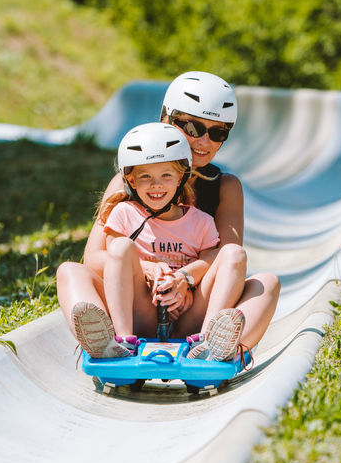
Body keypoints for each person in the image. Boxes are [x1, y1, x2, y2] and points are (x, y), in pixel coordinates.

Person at [57, 71, 280, 360]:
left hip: (193, 311)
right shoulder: (127, 183)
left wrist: (184, 279)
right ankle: (105, 344)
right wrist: (149, 269)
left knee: (268, 284)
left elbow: (226, 257)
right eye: (192, 126)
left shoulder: (225, 187)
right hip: (139, 303)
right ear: (166, 120)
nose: (203, 141)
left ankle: (216, 347)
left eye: (217, 132)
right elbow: (94, 259)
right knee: (69, 271)